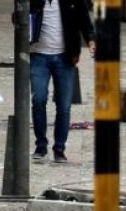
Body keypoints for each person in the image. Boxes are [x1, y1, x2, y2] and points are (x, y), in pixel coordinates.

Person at [29, 0, 95, 163]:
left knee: (64, 105)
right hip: (38, 56)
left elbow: (84, 19)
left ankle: (59, 148)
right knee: (38, 99)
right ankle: (41, 145)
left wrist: (91, 41)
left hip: (65, 57)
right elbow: (21, 17)